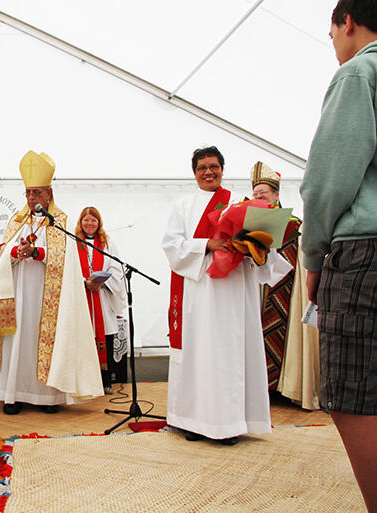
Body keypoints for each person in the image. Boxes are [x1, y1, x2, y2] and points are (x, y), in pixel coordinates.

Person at [162, 146, 292, 445]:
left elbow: (262, 244)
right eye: (202, 167)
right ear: (194, 172)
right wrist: (209, 244)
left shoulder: (239, 203)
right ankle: (192, 420)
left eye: (214, 166)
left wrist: (247, 245)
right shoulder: (183, 205)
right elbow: (171, 245)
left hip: (233, 290)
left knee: (228, 353)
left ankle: (231, 423)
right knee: (198, 352)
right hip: (198, 291)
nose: (209, 172)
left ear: (223, 168)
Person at [300, 1, 377, 509]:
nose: (334, 47)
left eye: (331, 36)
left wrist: (312, 256)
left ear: (347, 22)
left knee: (353, 393)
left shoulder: (360, 71)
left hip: (364, 252)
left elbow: (328, 181)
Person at [0, 150, 103, 415]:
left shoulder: (60, 222)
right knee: (18, 340)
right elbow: (3, 251)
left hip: (47, 295)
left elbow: (64, 259)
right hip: (19, 293)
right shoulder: (18, 222)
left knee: (46, 340)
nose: (32, 198)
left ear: (49, 194)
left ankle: (48, 398)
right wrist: (15, 253)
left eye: (37, 193)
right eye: (28, 193)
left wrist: (37, 253)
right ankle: (13, 395)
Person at [250, 162, 302, 390]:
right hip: (257, 292)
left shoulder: (293, 224)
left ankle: (283, 384)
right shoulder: (248, 225)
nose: (259, 196)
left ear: (276, 195)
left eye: (264, 193)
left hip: (285, 292)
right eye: (255, 193)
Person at [75, 207, 128, 394]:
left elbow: (116, 268)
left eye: (93, 220)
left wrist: (101, 282)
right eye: (86, 220)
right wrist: (84, 282)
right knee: (82, 338)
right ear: (80, 222)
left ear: (99, 223)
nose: (90, 224)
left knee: (104, 336)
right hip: (81, 297)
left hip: (102, 296)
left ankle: (105, 380)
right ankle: (83, 382)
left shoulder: (107, 243)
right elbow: (69, 269)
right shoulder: (73, 242)